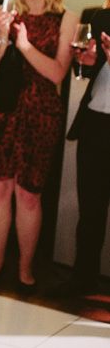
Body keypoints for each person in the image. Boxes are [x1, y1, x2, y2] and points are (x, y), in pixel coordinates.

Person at [0, 0, 77, 292]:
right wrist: (4, 40)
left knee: (29, 194)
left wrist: (27, 45)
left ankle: (26, 269)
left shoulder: (66, 19)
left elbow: (57, 73)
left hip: (39, 113)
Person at [55, 20, 110, 299]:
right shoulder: (103, 17)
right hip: (95, 125)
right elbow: (91, 68)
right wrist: (87, 61)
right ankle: (83, 278)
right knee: (90, 211)